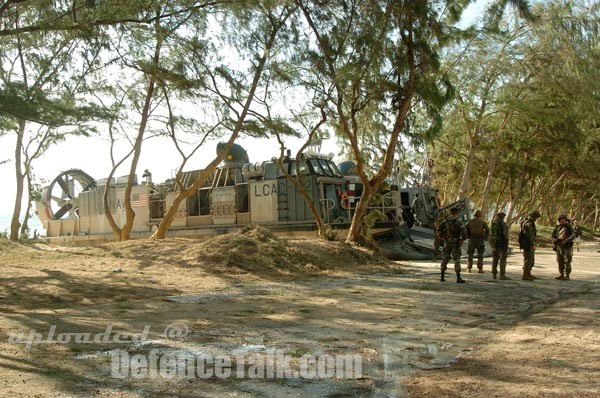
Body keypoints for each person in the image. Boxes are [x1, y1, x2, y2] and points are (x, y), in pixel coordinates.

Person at [438, 207, 467, 283]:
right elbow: (463, 232)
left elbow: (439, 229)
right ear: (456, 213)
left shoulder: (446, 221)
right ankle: (458, 277)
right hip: (455, 242)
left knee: (445, 258)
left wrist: (443, 237)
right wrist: (462, 239)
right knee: (456, 259)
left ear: (450, 212)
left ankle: (442, 276)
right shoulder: (458, 221)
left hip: (447, 242)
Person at [552, 215, 574, 280]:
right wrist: (555, 239)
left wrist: (566, 240)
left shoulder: (569, 227)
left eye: (563, 219)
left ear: (566, 220)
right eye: (560, 219)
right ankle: (561, 274)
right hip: (559, 246)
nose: (562, 220)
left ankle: (567, 275)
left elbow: (573, 235)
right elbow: (553, 235)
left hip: (567, 247)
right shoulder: (558, 227)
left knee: (567, 261)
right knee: (560, 261)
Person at [521, 210, 541, 281]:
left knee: (531, 259)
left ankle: (528, 273)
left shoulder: (528, 222)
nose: (537, 219)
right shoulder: (529, 223)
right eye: (537, 217)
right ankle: (525, 275)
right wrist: (532, 244)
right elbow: (530, 235)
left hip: (528, 243)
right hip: (528, 244)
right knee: (528, 260)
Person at [490, 212, 509, 280]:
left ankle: (494, 274)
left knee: (495, 259)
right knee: (502, 259)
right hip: (501, 244)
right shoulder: (502, 224)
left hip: (495, 244)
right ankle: (502, 275)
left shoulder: (493, 223)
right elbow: (505, 235)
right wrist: (506, 243)